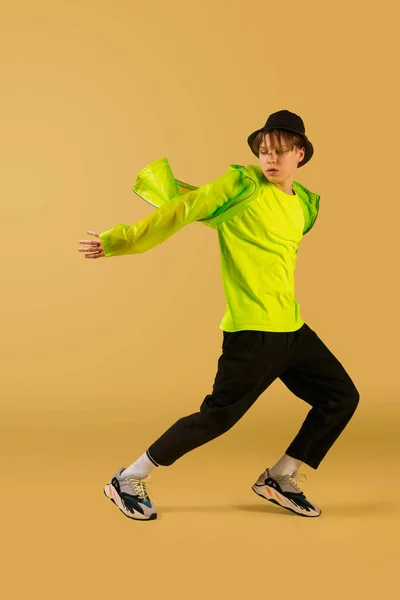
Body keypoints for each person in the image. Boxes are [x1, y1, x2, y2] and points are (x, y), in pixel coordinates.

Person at [78, 109, 360, 520]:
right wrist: (119, 240)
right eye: (264, 150)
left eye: (280, 151)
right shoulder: (242, 185)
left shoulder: (304, 207)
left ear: (300, 154)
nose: (270, 158)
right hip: (252, 332)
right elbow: (185, 208)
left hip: (293, 330)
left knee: (342, 397)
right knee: (217, 418)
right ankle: (128, 478)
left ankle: (281, 476)